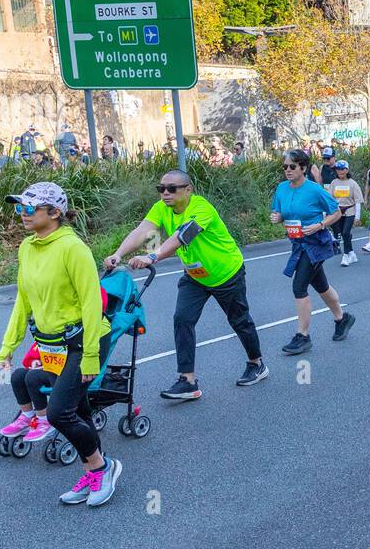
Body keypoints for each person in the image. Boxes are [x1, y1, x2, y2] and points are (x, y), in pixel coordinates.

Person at [0, 183, 121, 506]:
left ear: (54, 213)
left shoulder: (73, 248)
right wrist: (8, 347)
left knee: (58, 413)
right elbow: (23, 301)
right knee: (78, 410)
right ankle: (94, 469)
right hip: (52, 346)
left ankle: (102, 467)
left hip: (84, 341)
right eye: (19, 208)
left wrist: (91, 355)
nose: (21, 214)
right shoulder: (26, 248)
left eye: (29, 208)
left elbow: (93, 304)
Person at [107, 170, 268, 398]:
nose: (165, 193)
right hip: (195, 276)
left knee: (239, 320)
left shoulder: (201, 209)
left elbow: (181, 237)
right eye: (161, 188)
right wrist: (118, 254)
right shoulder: (162, 208)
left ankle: (257, 363)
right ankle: (188, 380)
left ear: (188, 189)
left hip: (226, 273)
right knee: (182, 319)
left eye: (172, 188)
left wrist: (152, 257)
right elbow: (143, 231)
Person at [269, 149, 355, 353]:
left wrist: (320, 225)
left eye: (292, 166)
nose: (287, 170)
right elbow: (281, 212)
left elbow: (336, 212)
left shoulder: (314, 190)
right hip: (298, 244)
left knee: (299, 286)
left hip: (315, 242)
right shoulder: (282, 188)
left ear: (303, 168)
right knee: (321, 285)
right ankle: (342, 319)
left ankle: (303, 336)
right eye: (285, 167)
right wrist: (278, 218)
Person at [328, 160, 364, 266]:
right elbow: (330, 198)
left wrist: (357, 217)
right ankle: (352, 253)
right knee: (343, 234)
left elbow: (357, 201)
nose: (340, 171)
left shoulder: (352, 183)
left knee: (346, 232)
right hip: (338, 211)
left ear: (347, 170)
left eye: (342, 169)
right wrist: (327, 213)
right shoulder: (334, 183)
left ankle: (346, 255)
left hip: (350, 210)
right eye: (338, 169)